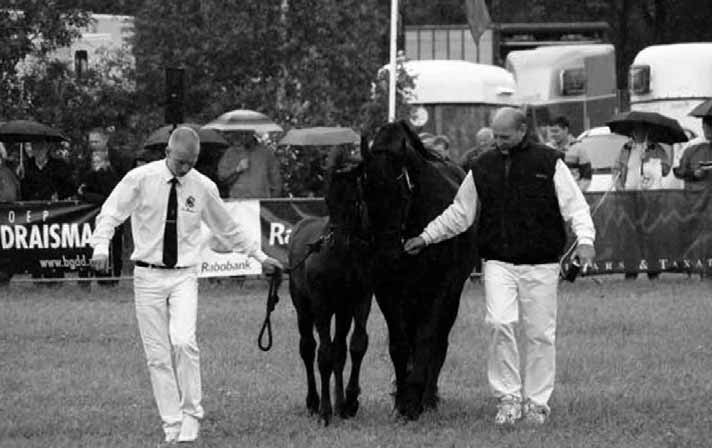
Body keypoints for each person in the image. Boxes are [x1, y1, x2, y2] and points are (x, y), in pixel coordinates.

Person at [89, 127, 283, 444]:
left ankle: (192, 414)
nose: (185, 169)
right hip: (147, 275)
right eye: (181, 162)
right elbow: (111, 212)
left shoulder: (203, 186)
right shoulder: (141, 178)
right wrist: (100, 247)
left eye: (191, 163)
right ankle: (171, 423)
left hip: (183, 274)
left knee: (183, 341)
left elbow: (229, 228)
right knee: (157, 355)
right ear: (168, 152)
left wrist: (260, 257)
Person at [403, 107, 595, 426]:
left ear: (522, 131)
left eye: (505, 136)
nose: (499, 141)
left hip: (541, 264)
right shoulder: (482, 165)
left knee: (539, 335)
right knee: (499, 323)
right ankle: (507, 399)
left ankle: (536, 404)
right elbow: (459, 213)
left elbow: (576, 206)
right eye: (495, 135)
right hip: (498, 262)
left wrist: (586, 240)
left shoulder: (549, 162)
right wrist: (425, 237)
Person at [78, 128, 123, 286]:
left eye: (96, 141)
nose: (93, 145)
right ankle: (85, 279)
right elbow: (81, 186)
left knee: (114, 243)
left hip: (114, 207)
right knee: (88, 243)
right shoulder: (85, 159)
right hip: (90, 210)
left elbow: (120, 186)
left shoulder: (118, 159)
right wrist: (93, 172)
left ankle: (111, 281)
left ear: (105, 140)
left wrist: (105, 170)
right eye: (91, 142)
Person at [216, 131, 282, 198]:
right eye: (242, 133)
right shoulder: (231, 153)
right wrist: (237, 170)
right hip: (237, 201)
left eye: (247, 133)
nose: (244, 136)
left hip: (261, 201)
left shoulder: (266, 153)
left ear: (253, 132)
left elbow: (276, 183)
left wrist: (271, 202)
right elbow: (222, 178)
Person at [612, 124, 670, 191]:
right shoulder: (626, 148)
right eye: (634, 130)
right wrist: (619, 186)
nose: (636, 132)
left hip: (650, 194)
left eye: (639, 129)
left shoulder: (656, 148)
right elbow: (616, 169)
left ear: (646, 131)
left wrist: (650, 159)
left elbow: (665, 171)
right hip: (628, 194)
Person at [546, 116, 592, 191]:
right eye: (551, 131)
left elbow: (586, 176)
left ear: (566, 130)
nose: (553, 134)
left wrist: (578, 192)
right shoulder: (547, 148)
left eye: (556, 131)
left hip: (573, 195)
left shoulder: (579, 148)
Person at [673, 116, 712, 191]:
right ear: (703, 127)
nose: (709, 130)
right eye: (707, 126)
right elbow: (677, 170)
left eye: (711, 126)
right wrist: (693, 174)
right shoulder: (692, 145)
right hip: (696, 198)